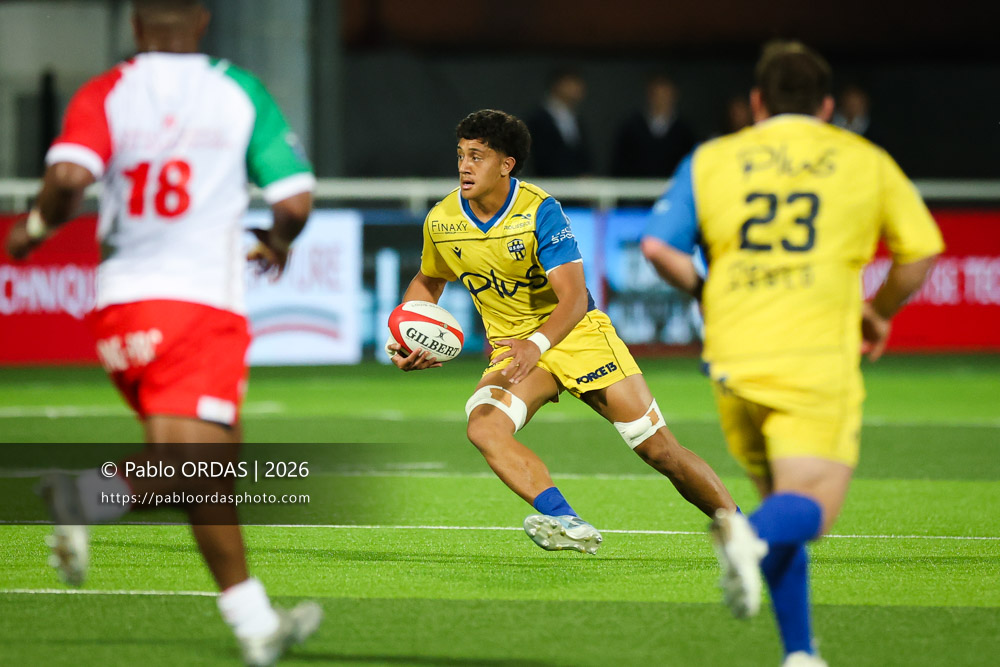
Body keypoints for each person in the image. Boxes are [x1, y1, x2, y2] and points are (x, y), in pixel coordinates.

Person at [3, 1, 322, 664]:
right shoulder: (237, 91)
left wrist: (34, 227)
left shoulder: (107, 92)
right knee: (196, 468)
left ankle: (255, 623)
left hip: (121, 310)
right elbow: (293, 200)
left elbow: (69, 176)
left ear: (135, 24)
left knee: (210, 473)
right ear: (202, 19)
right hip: (196, 306)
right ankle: (82, 495)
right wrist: (277, 239)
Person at [640, 41, 943, 667]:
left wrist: (707, 292)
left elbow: (657, 248)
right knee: (811, 509)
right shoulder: (863, 159)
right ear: (827, 106)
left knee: (781, 495)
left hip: (733, 357)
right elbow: (918, 255)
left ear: (757, 102)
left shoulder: (712, 158)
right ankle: (746, 534)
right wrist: (879, 311)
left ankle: (800, 652)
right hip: (813, 356)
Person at [386, 108, 737, 555]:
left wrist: (537, 344)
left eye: (477, 156)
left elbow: (572, 297)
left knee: (657, 449)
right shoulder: (442, 220)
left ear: (506, 165)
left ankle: (747, 530)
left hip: (577, 336)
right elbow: (429, 280)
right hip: (515, 351)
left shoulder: (540, 211)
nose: (464, 166)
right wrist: (408, 335)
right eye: (460, 155)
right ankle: (567, 521)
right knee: (484, 428)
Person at [611, 74, 698, 177]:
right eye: (656, 94)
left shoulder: (685, 133)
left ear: (674, 95)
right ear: (649, 95)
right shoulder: (631, 129)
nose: (661, 100)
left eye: (665, 94)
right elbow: (618, 167)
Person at [524, 69, 593, 177]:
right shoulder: (539, 119)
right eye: (571, 83)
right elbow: (542, 156)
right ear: (558, 85)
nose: (578, 89)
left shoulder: (576, 119)